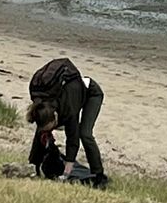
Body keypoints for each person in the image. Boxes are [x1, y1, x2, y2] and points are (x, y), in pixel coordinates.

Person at [27, 58, 108, 187]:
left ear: (55, 116)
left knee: (84, 133)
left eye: (52, 126)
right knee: (42, 131)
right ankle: (35, 166)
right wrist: (34, 164)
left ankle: (98, 175)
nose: (51, 129)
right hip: (72, 94)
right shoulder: (41, 106)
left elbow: (72, 138)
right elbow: (40, 134)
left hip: (91, 94)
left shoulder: (68, 107)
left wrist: (66, 173)